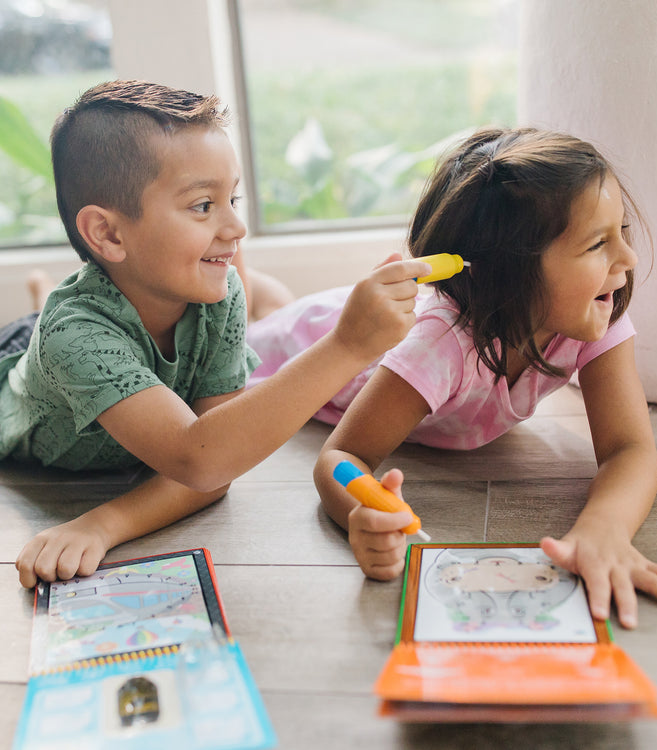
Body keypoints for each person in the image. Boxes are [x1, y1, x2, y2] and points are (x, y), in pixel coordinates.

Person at [245, 127, 657, 629]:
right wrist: (359, 514)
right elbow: (340, 457)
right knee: (253, 336)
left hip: (340, 319)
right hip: (290, 351)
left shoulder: (592, 311)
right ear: (506, 275)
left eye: (623, 232)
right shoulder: (438, 346)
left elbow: (629, 449)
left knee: (273, 306)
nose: (628, 258)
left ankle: (262, 293)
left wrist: (604, 530)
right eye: (598, 244)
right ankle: (249, 294)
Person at [2, 80, 430, 588]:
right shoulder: (73, 339)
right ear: (109, 234)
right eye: (204, 205)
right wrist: (348, 344)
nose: (237, 227)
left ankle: (41, 290)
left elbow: (214, 464)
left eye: (234, 198)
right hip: (29, 372)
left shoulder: (220, 292)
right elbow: (200, 459)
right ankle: (42, 296)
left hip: (107, 340)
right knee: (42, 334)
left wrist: (111, 520)